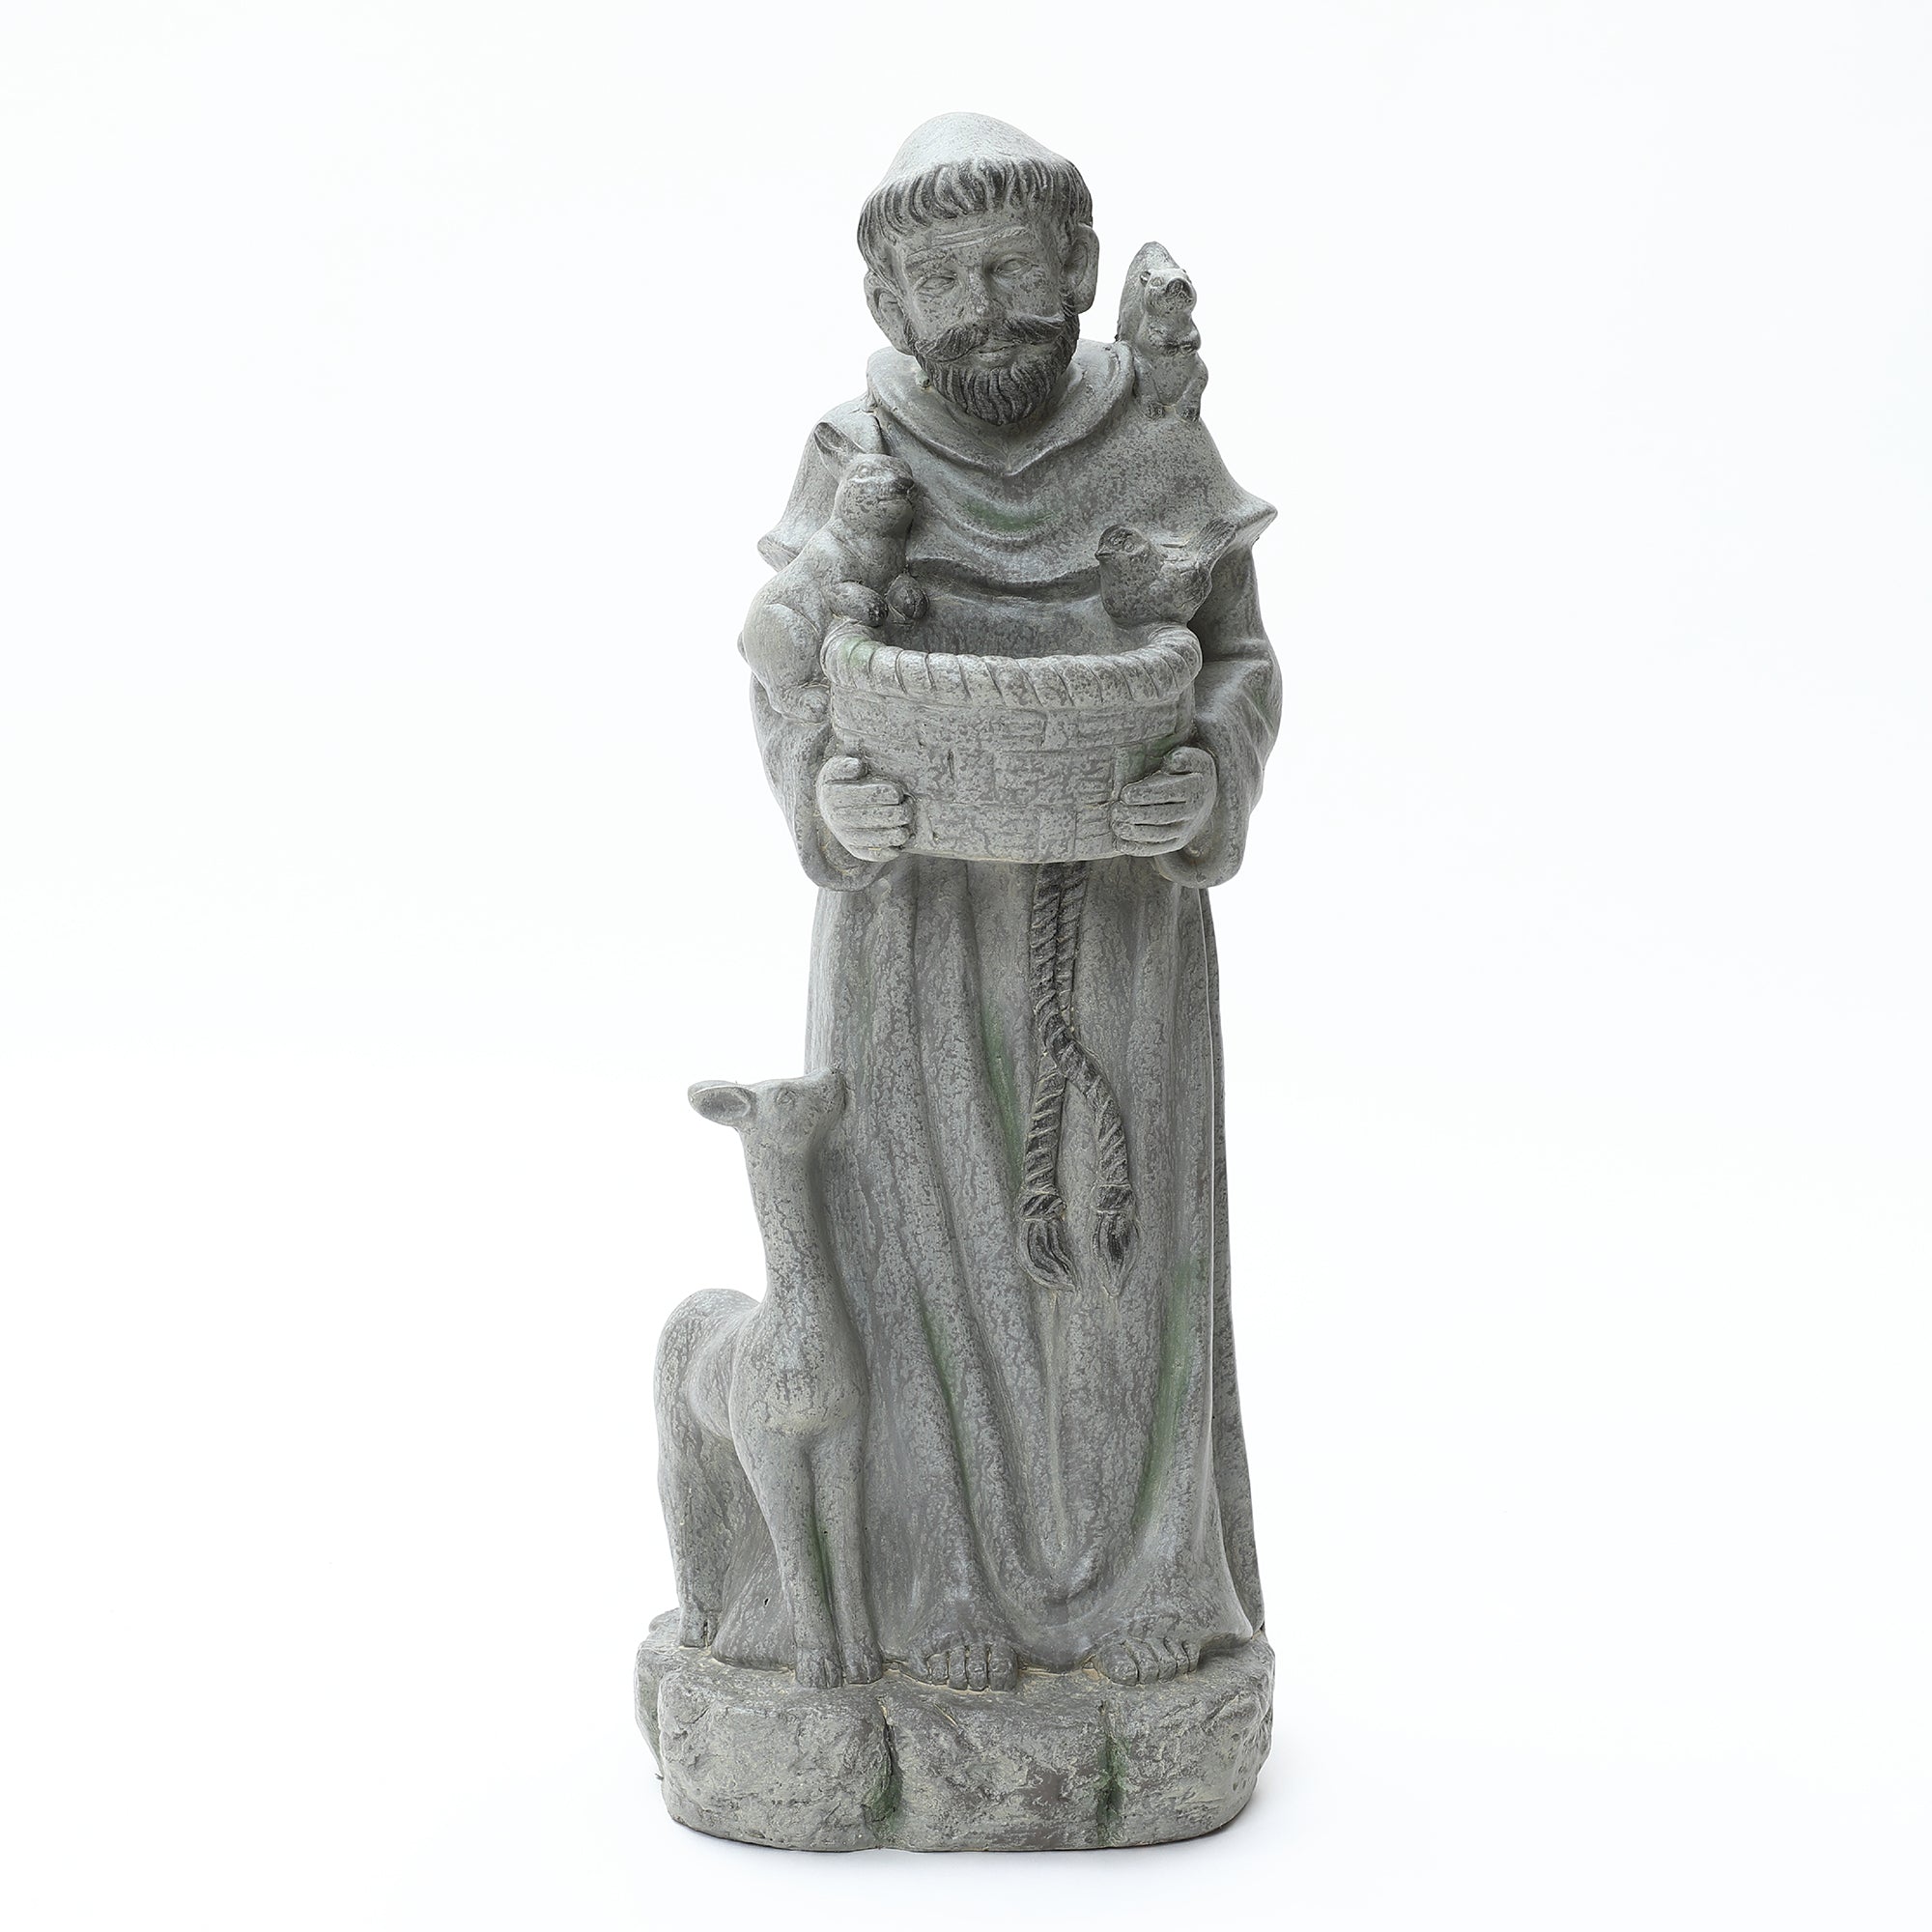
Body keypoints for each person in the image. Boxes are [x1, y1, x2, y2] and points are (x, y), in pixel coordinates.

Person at [738, 113, 1280, 1692]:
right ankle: (941, 1598)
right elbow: (786, 675)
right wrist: (825, 799)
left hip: (1120, 927)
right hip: (914, 936)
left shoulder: (1154, 437)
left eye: (1012, 269)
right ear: (888, 305)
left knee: (1123, 1257)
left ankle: (1151, 1587)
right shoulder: (860, 456)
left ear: (1079, 267)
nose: (983, 310)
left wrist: (1209, 778)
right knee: (919, 1260)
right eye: (944, 281)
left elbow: (1238, 660)